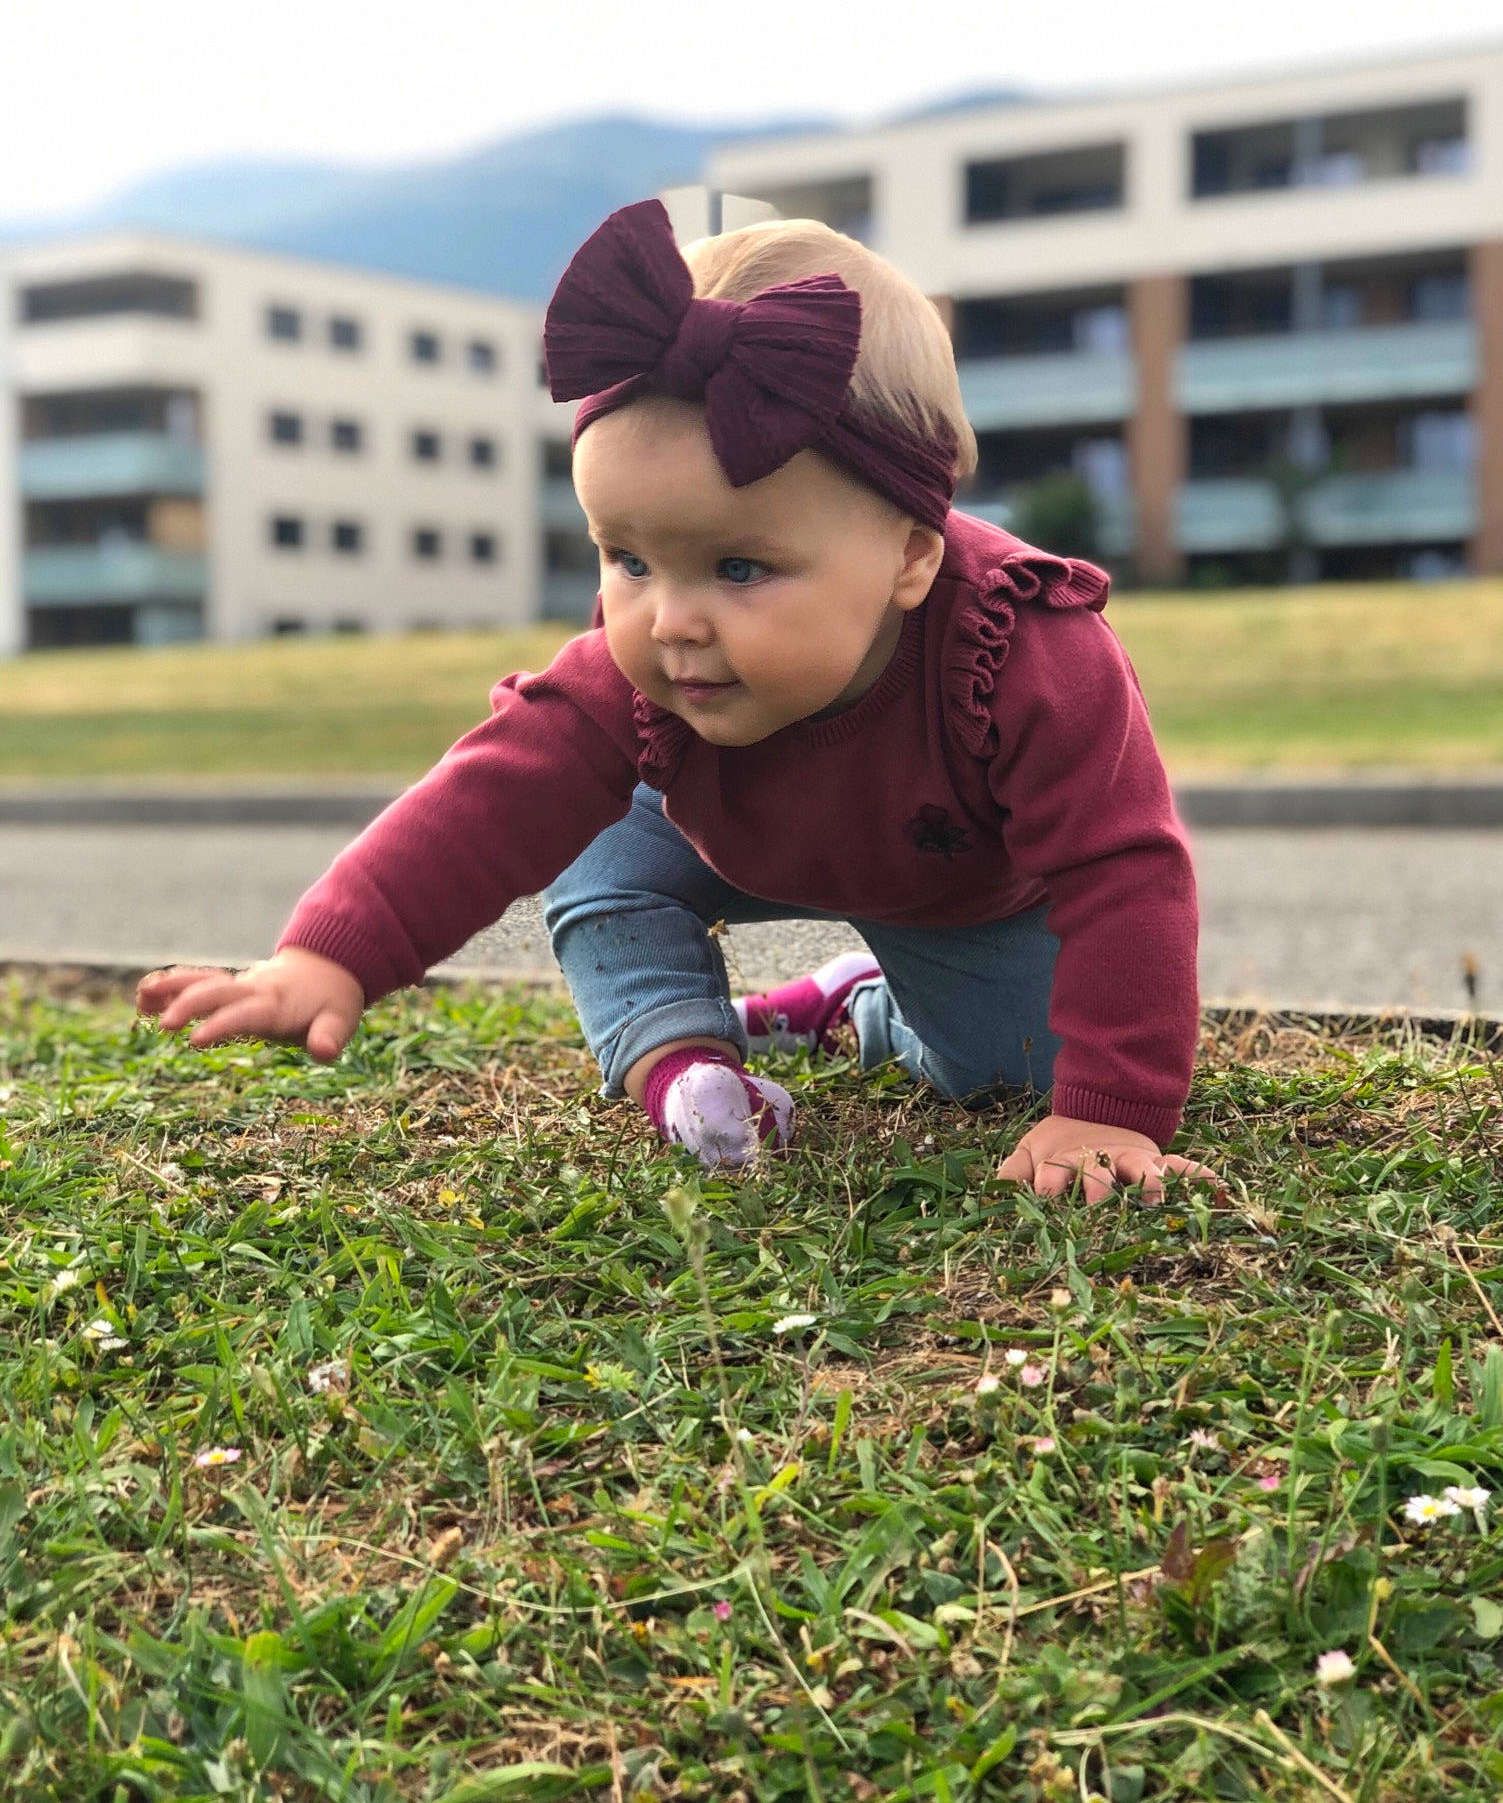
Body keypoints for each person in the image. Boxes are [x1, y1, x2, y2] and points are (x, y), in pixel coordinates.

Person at [136, 199, 1226, 1206]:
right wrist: (330, 953)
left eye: (739, 568)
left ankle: (855, 1004)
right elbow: (488, 797)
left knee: (1007, 1068)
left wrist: (1106, 1109)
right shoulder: (645, 671)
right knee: (591, 854)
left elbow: (1124, 869)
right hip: (711, 823)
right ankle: (680, 1058)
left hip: (955, 880)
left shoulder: (1027, 651)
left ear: (909, 554)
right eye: (630, 559)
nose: (671, 623)